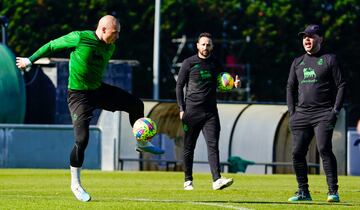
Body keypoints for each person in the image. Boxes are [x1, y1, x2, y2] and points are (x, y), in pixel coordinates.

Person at [16, 15, 164, 202]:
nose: (117, 36)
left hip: (97, 90)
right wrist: (30, 59)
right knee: (82, 139)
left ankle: (141, 142)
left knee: (136, 104)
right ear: (103, 29)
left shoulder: (110, 45)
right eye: (115, 32)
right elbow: (52, 45)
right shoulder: (80, 37)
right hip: (78, 95)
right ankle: (75, 184)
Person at [286, 24, 346, 202]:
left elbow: (342, 85)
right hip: (301, 115)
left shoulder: (330, 59)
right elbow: (290, 87)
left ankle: (332, 191)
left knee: (324, 149)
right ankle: (303, 191)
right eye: (304, 36)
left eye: (311, 36)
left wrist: (335, 111)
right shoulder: (298, 62)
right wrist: (292, 113)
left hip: (323, 114)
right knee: (297, 153)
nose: (306, 39)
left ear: (320, 39)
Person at [176, 32, 240, 190]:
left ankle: (217, 179)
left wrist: (233, 85)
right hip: (191, 112)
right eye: (203, 44)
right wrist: (181, 108)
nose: (205, 47)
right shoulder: (188, 63)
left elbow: (222, 83)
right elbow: (179, 86)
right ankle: (188, 180)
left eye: (208, 44)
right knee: (189, 147)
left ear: (212, 46)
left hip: (211, 113)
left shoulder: (216, 64)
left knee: (213, 146)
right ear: (197, 45)